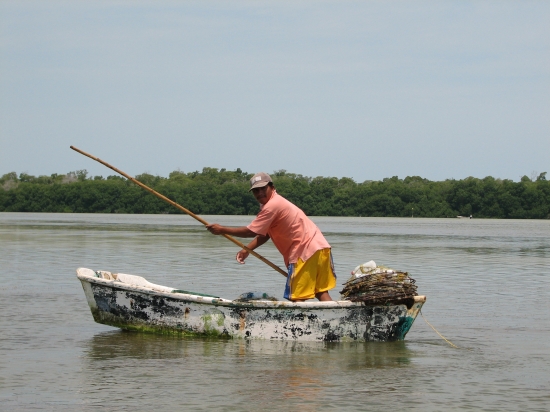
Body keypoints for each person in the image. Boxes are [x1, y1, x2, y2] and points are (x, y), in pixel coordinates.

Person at [206, 172, 336, 302]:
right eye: (256, 190)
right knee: (321, 292)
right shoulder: (275, 203)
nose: (260, 193)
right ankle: (335, 319)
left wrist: (222, 229)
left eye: (263, 188)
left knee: (296, 298)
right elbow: (265, 234)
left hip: (304, 252)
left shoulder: (272, 206)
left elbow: (250, 231)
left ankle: (298, 322)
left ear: (272, 187)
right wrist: (247, 250)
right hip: (320, 247)